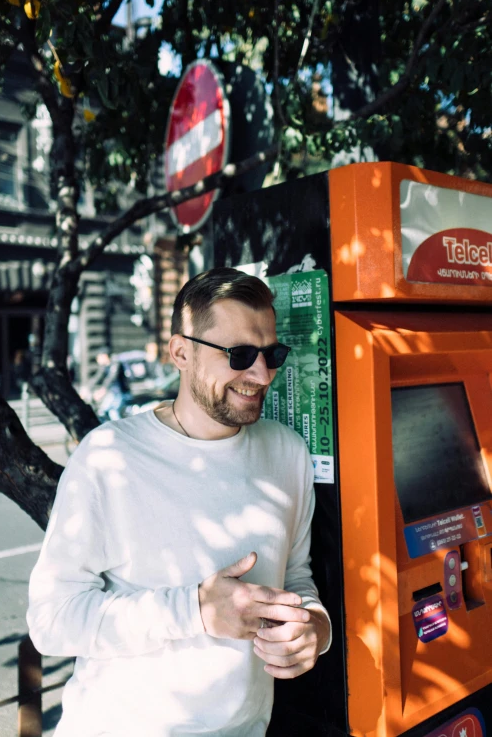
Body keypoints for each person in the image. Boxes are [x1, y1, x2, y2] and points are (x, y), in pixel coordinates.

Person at [27, 267, 332, 737]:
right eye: (240, 354)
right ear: (181, 353)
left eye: (272, 355)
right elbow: (51, 620)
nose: (260, 374)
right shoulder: (109, 458)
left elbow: (294, 577)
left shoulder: (287, 452)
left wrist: (316, 629)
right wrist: (193, 610)